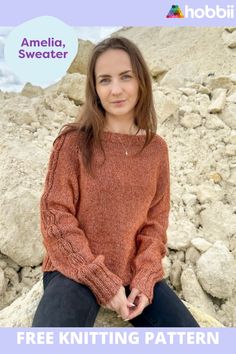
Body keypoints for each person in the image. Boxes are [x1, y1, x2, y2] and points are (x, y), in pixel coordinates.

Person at [32, 36, 199, 327]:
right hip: (74, 270)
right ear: (95, 89)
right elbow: (55, 216)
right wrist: (100, 280)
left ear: (141, 82)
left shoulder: (156, 149)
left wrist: (146, 277)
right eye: (105, 80)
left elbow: (155, 224)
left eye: (125, 77)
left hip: (132, 273)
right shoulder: (72, 142)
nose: (116, 89)